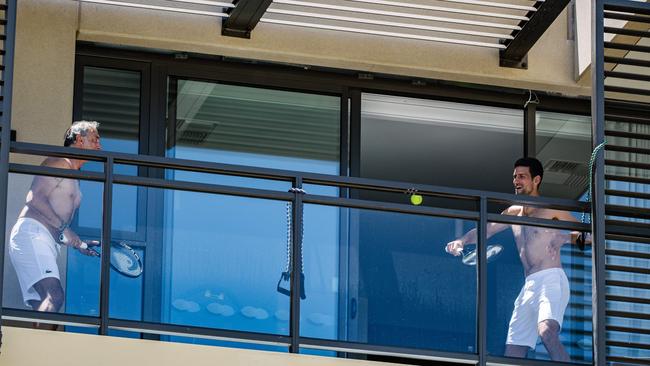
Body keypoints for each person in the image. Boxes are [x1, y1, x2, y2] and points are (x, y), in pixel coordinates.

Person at [445, 157, 588, 362]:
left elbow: (587, 236)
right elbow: (485, 229)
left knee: (547, 332)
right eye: (514, 177)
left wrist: (564, 237)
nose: (516, 181)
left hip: (550, 279)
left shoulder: (551, 211)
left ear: (536, 180)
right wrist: (461, 241)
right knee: (513, 351)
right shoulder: (513, 212)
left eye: (522, 176)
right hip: (528, 285)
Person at [9, 121, 102, 317]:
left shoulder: (74, 174)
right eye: (94, 140)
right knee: (55, 296)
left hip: (45, 239)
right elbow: (34, 199)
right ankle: (40, 346)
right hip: (32, 233)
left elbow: (59, 219)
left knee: (43, 304)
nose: (99, 146)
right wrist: (63, 228)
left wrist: (78, 243)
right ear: (79, 139)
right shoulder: (60, 162)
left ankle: (39, 344)